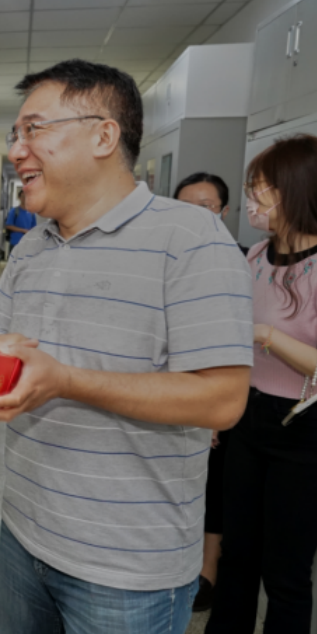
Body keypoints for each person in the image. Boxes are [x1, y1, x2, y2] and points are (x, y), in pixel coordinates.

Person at [0, 59, 253, 634]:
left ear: (104, 136)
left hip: (129, 568)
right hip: (22, 532)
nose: (17, 150)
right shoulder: (32, 247)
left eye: (35, 129)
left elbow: (222, 400)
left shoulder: (191, 239)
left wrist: (66, 380)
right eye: (16, 133)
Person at [206, 134, 317, 634]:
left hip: (302, 427)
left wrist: (267, 335)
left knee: (286, 571)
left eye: (262, 187)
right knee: (238, 555)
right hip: (247, 417)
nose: (253, 198)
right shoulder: (254, 257)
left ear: (295, 189)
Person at [172, 172, 234, 612]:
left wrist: (211, 410)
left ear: (223, 212)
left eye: (205, 207)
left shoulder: (239, 262)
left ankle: (208, 567)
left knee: (217, 484)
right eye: (183, 207)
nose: (194, 217)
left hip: (222, 395)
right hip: (176, 394)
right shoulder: (165, 260)